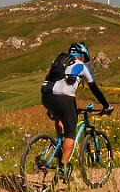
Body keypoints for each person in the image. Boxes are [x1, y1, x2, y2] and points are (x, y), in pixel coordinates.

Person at [40, 42, 114, 182]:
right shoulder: (82, 66)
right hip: (64, 97)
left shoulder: (60, 62)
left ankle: (58, 148)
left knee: (61, 121)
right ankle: (62, 167)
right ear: (83, 56)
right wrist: (106, 106)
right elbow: (95, 90)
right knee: (71, 133)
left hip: (46, 94)